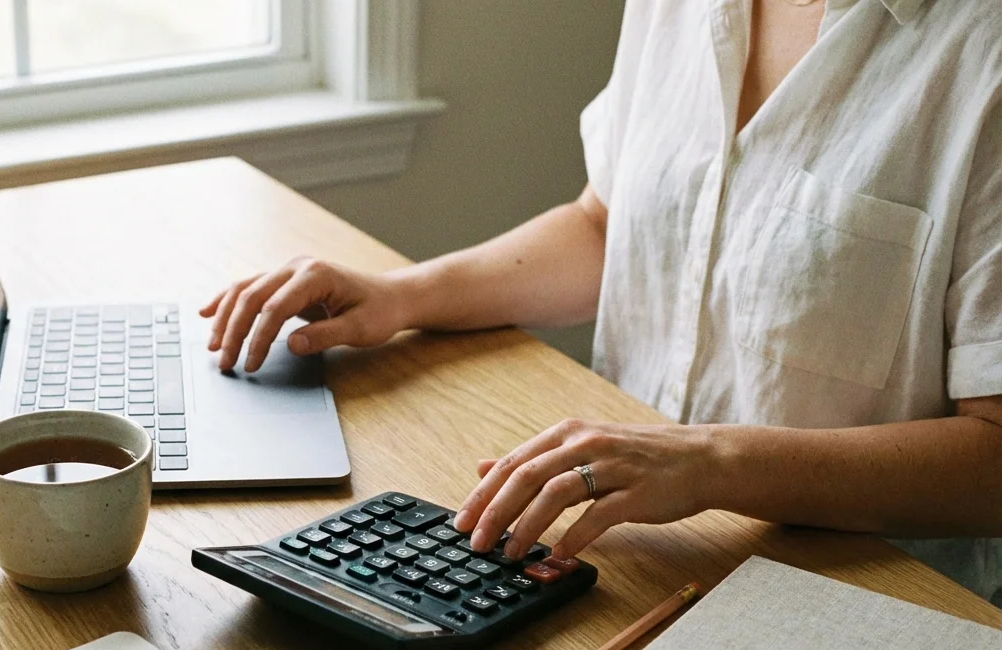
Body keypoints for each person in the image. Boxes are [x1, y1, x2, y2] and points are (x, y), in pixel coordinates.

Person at [200, 0, 1002, 604]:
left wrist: (709, 461)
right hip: (632, 557)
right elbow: (608, 222)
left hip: (872, 596)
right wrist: (406, 293)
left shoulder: (981, 51)